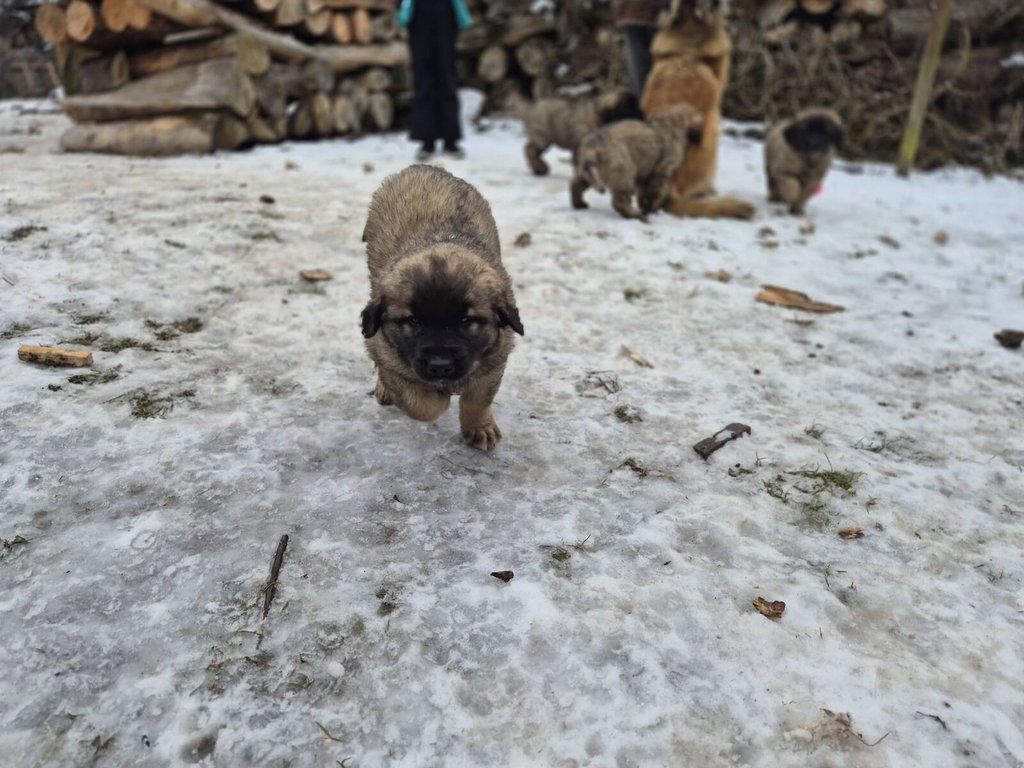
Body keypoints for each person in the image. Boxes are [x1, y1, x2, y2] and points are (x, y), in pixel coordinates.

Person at [397, 0, 473, 160]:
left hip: (445, 13)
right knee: (423, 79)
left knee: (447, 78)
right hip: (419, 14)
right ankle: (427, 141)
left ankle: (450, 141)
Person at [613, 0, 663, 97]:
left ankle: (645, 101)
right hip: (651, 10)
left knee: (640, 61)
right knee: (658, 60)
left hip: (629, 9)